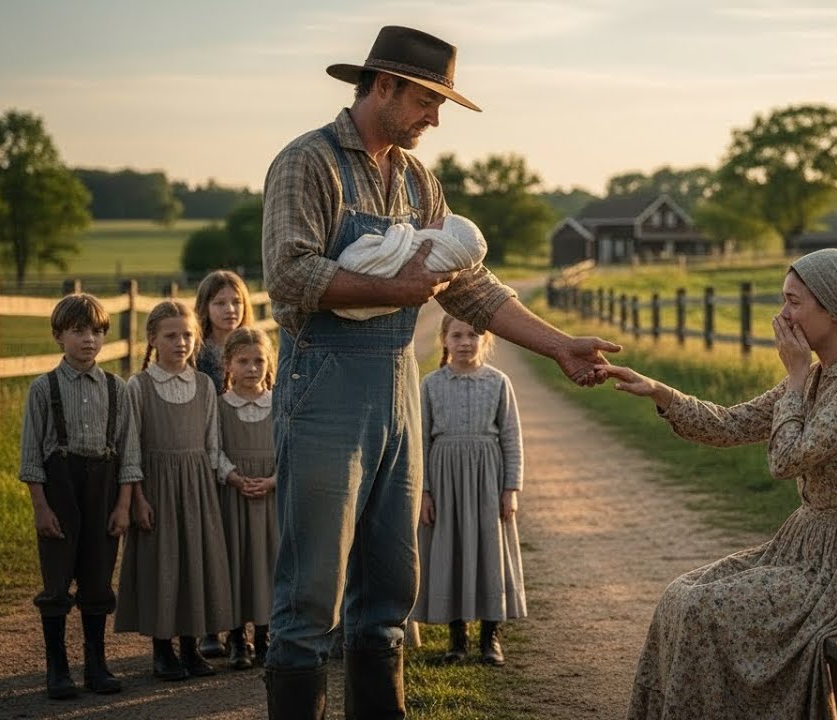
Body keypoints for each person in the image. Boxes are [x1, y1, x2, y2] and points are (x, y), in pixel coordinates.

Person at [259, 23, 620, 719]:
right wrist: (390, 291)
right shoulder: (308, 163)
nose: (435, 117)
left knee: (392, 585)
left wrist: (557, 346)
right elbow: (288, 271)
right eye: (428, 100)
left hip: (398, 384)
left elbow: (470, 286)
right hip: (324, 387)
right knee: (310, 592)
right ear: (384, 85)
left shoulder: (418, 178)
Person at [597, 248, 837, 719]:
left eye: (794, 302)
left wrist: (792, 379)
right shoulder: (815, 377)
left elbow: (786, 459)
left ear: (832, 309)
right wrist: (660, 392)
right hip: (808, 545)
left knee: (707, 610)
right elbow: (732, 424)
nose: (782, 315)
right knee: (681, 595)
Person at [18, 293, 141, 699]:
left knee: (98, 579)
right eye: (78, 331)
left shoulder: (116, 388)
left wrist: (123, 505)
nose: (88, 339)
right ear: (58, 336)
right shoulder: (42, 388)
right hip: (60, 488)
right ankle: (57, 669)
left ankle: (96, 665)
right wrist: (40, 506)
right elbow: (31, 454)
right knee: (56, 581)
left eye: (97, 331)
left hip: (103, 489)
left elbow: (129, 452)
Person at [114, 300, 234, 682]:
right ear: (153, 339)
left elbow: (213, 446)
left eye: (187, 335)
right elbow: (130, 446)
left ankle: (190, 647)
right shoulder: (139, 386)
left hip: (198, 487)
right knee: (162, 566)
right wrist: (136, 499)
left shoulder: (203, 385)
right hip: (157, 488)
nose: (180, 342)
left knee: (195, 565)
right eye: (171, 336)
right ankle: (162, 650)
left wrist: (221, 486)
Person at [412, 316, 527, 666]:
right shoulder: (430, 385)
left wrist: (511, 487)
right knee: (451, 551)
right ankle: (456, 637)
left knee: (489, 551)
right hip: (445, 480)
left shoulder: (498, 383)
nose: (465, 342)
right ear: (444, 339)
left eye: (473, 334)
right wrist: (424, 492)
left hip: (487, 480)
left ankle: (490, 637)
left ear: (486, 339)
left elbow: (511, 437)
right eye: (457, 335)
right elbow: (420, 443)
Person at [192, 269, 253, 659]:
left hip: (246, 449)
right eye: (220, 302)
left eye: (236, 302)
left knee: (243, 541)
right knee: (211, 540)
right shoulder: (197, 353)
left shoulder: (255, 346)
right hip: (204, 450)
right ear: (205, 307)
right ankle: (208, 627)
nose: (229, 309)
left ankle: (243, 630)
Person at [214, 326, 279, 670]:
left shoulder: (278, 403)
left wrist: (272, 481)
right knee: (237, 562)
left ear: (269, 363)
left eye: (258, 361)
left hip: (269, 496)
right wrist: (234, 477)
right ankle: (238, 638)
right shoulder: (221, 406)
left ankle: (267, 634)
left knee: (267, 562)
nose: (252, 368)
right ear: (228, 364)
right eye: (243, 361)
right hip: (235, 495)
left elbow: (289, 449)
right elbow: (214, 449)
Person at [333, 212, 487, 320]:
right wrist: (393, 289)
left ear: (441, 236)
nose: (429, 225)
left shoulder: (423, 183)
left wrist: (401, 234)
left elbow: (472, 286)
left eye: (437, 224)